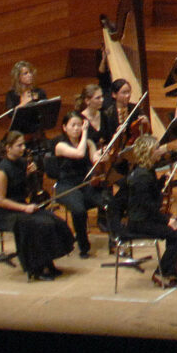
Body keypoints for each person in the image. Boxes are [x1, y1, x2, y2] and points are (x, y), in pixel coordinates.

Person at [0, 130, 74, 281]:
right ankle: (35, 269)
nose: (23, 148)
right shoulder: (2, 170)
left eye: (23, 145)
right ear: (8, 148)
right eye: (19, 145)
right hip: (7, 213)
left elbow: (25, 189)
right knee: (36, 225)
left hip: (22, 207)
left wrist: (29, 175)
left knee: (52, 220)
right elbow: (0, 200)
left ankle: (48, 262)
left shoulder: (22, 163)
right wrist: (24, 208)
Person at [121, 135, 177, 287]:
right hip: (140, 222)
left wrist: (162, 180)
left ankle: (172, 269)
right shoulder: (141, 177)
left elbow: (151, 193)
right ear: (149, 152)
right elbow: (147, 206)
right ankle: (161, 273)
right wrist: (168, 220)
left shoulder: (147, 170)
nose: (160, 151)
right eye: (157, 148)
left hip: (148, 218)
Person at [50, 109, 111, 258]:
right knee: (78, 210)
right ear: (64, 127)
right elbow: (79, 154)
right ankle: (84, 245)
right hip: (66, 186)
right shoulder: (59, 144)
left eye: (79, 125)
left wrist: (105, 156)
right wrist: (85, 133)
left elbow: (94, 158)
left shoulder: (88, 142)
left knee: (109, 201)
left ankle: (115, 240)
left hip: (85, 184)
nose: (77, 128)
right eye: (73, 125)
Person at [6, 61, 52, 145]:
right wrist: (22, 104)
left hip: (37, 133)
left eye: (30, 72)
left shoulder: (40, 92)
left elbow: (47, 113)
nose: (30, 75)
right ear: (18, 77)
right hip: (21, 135)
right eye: (25, 73)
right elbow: (11, 115)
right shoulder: (12, 95)